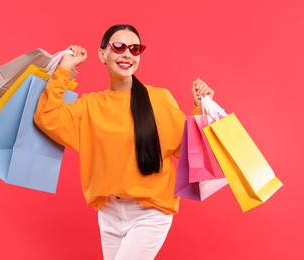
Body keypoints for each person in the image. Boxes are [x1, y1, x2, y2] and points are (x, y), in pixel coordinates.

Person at [34, 24, 214, 260]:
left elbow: (189, 151)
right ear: (102, 54)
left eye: (135, 49)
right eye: (118, 47)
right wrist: (64, 69)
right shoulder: (91, 106)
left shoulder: (159, 99)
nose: (127, 54)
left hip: (150, 213)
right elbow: (47, 117)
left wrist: (200, 107)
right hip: (108, 213)